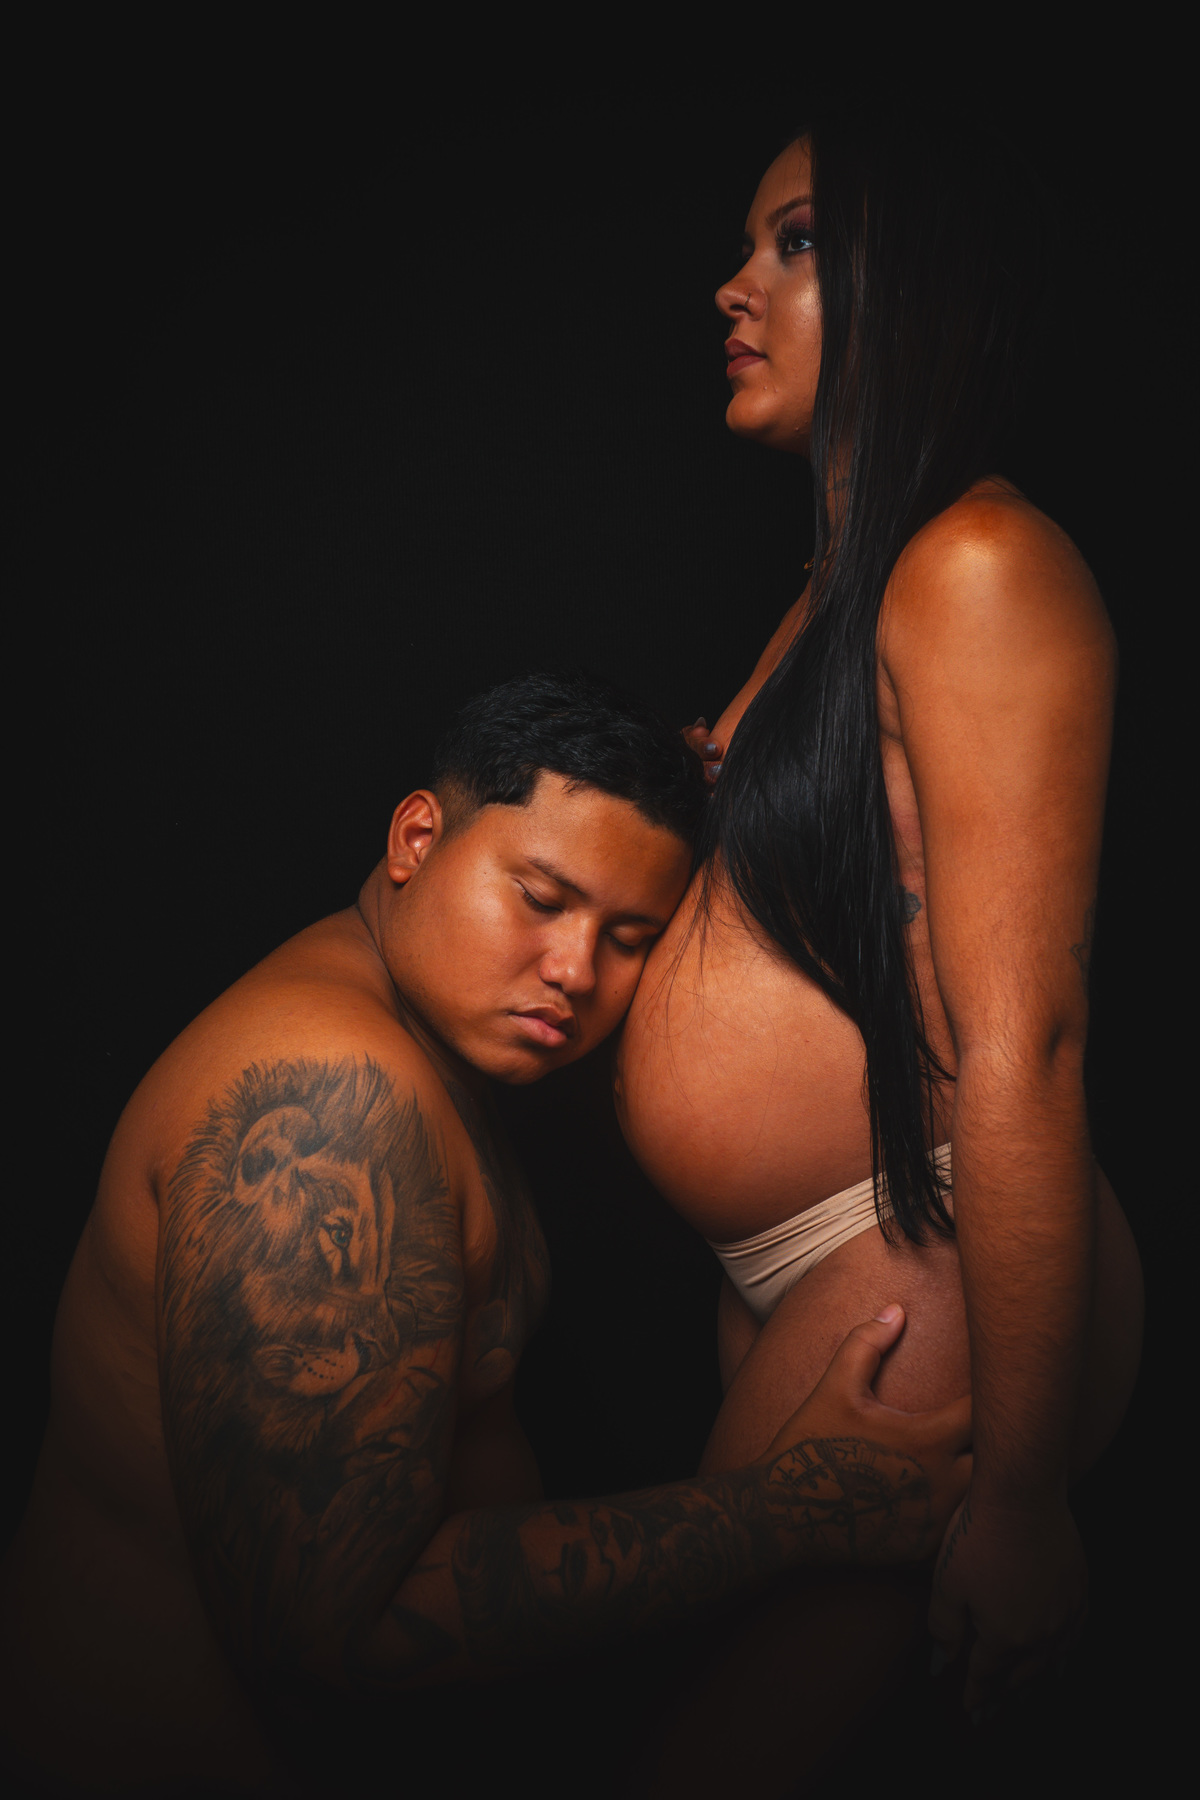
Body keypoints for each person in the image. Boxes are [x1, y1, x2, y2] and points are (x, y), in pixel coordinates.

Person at [0, 672, 971, 1797]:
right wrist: (792, 1512)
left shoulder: (407, 1044)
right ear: (417, 839)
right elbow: (340, 1632)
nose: (575, 971)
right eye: (541, 898)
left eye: (629, 936)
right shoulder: (329, 1100)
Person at [615, 101, 1144, 1769]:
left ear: (914, 282)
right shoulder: (837, 587)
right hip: (822, 1271)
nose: (733, 287)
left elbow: (1026, 1037)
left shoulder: (980, 564)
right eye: (744, 246)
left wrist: (1025, 1497)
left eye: (793, 245)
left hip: (924, 1275)